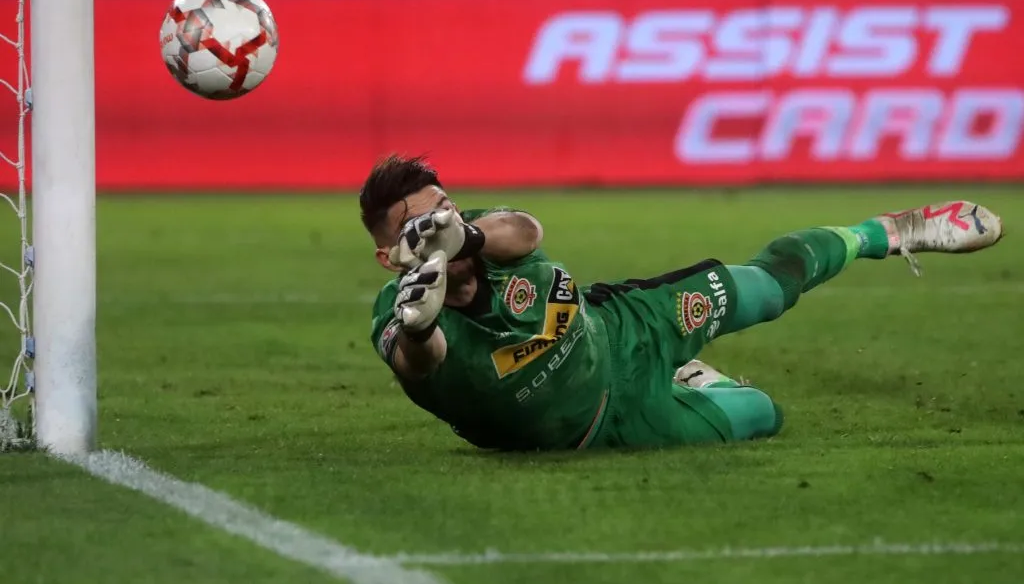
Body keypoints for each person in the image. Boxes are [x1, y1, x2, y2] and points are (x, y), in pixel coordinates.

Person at [361, 155, 1003, 451]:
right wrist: (419, 327)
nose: (438, 226)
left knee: (767, 289)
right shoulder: (399, 312)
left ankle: (889, 231)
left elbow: (526, 230)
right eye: (416, 226)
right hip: (609, 425)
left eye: (443, 209)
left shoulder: (478, 231)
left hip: (624, 327)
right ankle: (694, 379)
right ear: (390, 257)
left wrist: (465, 235)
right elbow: (421, 363)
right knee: (763, 414)